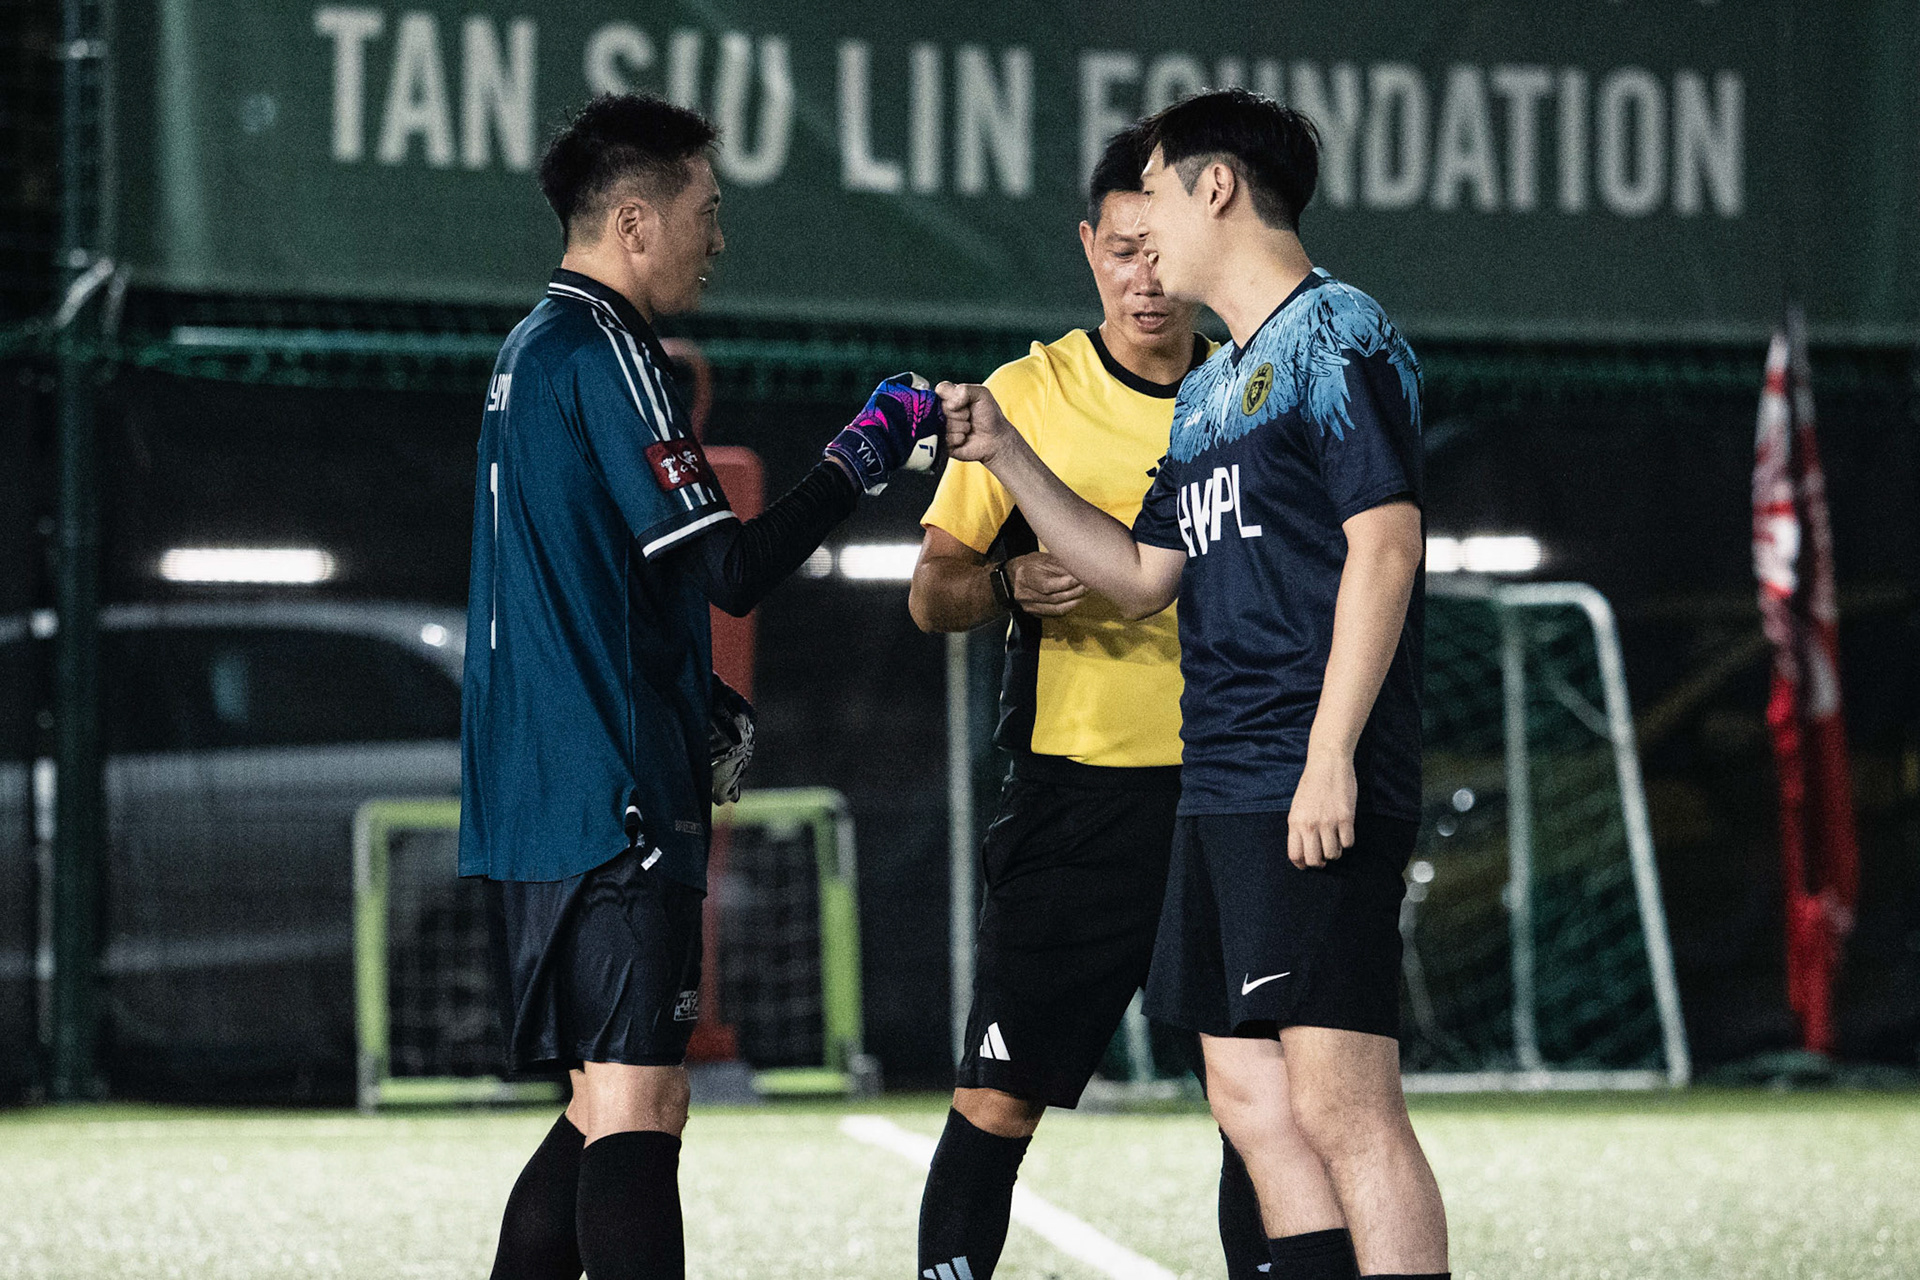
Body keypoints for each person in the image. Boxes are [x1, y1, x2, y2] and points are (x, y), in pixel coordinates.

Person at [935, 88, 1447, 1280]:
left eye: (1156, 192)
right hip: (1215, 788)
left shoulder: (1338, 331)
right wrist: (1006, 452)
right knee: (1252, 1095)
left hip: (1303, 773)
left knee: (1345, 1104)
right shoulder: (1214, 391)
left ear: (1217, 187)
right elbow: (1141, 572)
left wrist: (1330, 752)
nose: (1142, 228)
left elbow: (1387, 541)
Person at [459, 93, 941, 1280]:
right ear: (635, 220)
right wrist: (861, 456)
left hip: (542, 793)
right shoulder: (613, 353)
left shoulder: (530, 351)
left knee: (608, 1102)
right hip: (611, 799)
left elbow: (601, 578)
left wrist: (691, 696)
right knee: (635, 1108)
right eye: (705, 213)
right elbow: (729, 567)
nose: (716, 239)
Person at [907, 123, 1269, 1280]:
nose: (1143, 277)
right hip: (1076, 797)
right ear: (1087, 248)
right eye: (1120, 251)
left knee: (1255, 1101)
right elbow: (932, 592)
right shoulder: (1032, 394)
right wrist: (1004, 578)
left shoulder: (1248, 389)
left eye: (1159, 249)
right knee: (999, 1094)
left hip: (1228, 793)